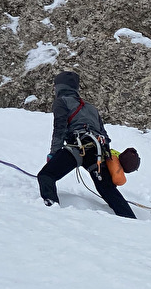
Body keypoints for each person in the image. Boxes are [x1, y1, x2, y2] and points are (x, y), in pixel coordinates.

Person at [37, 70, 140, 219]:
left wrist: (54, 153)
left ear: (59, 87)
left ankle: (51, 211)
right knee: (107, 189)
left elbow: (59, 128)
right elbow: (104, 134)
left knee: (46, 176)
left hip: (76, 149)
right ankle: (131, 220)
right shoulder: (91, 108)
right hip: (96, 153)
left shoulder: (62, 101)